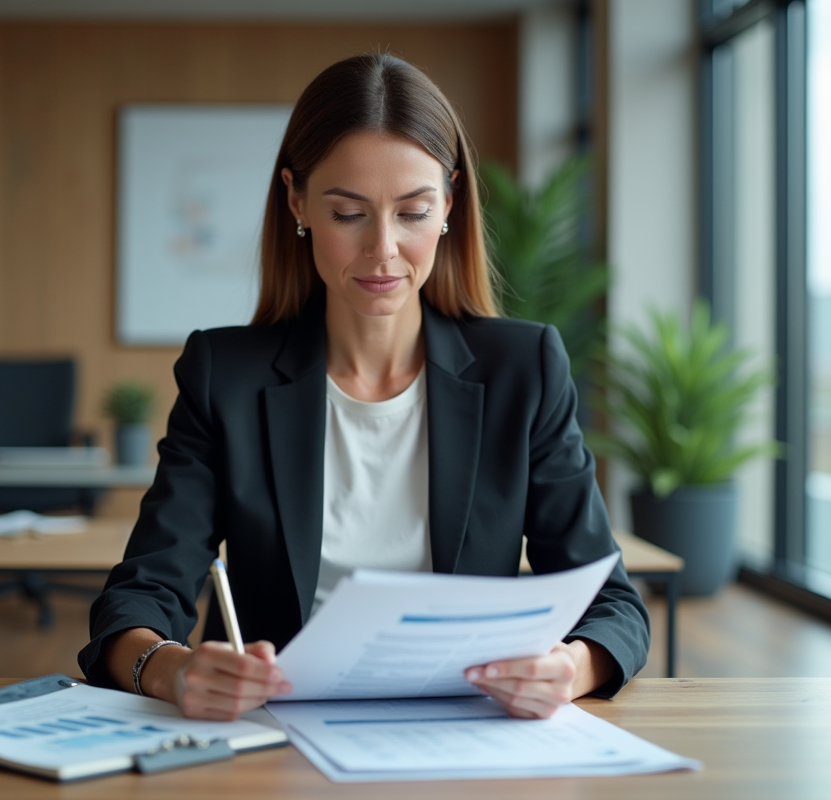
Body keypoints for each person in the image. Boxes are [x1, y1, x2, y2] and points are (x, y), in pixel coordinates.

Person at [78, 53, 649, 722]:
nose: (383, 250)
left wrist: (570, 667)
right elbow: (140, 596)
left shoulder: (524, 369)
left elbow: (612, 605)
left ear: (450, 204)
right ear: (297, 201)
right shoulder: (224, 376)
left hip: (469, 734)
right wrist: (171, 670)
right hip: (274, 739)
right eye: (349, 213)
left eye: (412, 212)